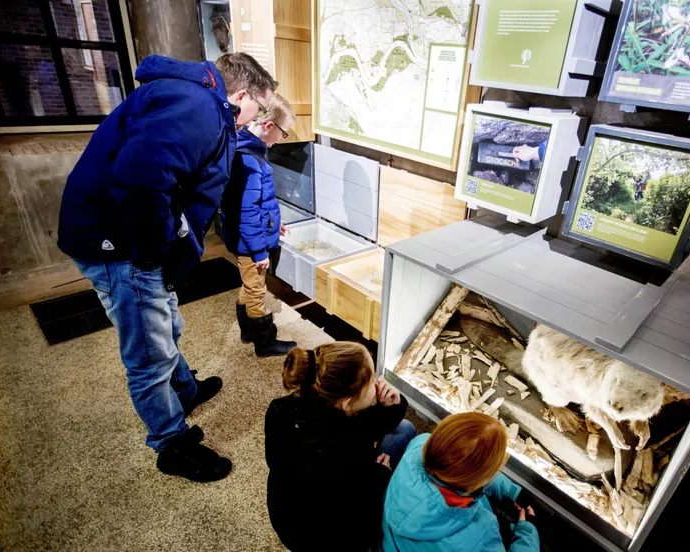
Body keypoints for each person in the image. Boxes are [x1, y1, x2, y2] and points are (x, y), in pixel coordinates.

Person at [57, 53, 278, 482]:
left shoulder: (197, 99)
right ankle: (171, 443)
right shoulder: (196, 105)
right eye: (261, 107)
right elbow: (140, 181)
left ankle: (184, 391)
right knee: (148, 348)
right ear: (243, 95)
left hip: (125, 238)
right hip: (123, 247)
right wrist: (156, 250)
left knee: (165, 322)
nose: (257, 118)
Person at [265, 343, 416, 551]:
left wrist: (393, 405)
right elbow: (354, 502)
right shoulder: (339, 451)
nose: (378, 382)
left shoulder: (286, 408)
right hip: (330, 535)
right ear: (346, 403)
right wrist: (381, 475)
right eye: (372, 380)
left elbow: (363, 425)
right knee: (405, 434)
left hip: (291, 512)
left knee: (403, 428)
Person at [381, 412, 540, 552]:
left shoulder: (418, 447)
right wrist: (527, 531)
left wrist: (511, 490)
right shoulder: (480, 539)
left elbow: (462, 462)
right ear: (478, 480)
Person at [221, 93, 297, 357]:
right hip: (249, 243)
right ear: (269, 126)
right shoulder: (250, 160)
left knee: (249, 283)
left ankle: (246, 330)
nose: (281, 139)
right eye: (283, 133)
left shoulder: (245, 149)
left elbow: (257, 203)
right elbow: (246, 212)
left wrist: (275, 224)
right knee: (256, 290)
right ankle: (265, 342)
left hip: (246, 238)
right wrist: (259, 252)